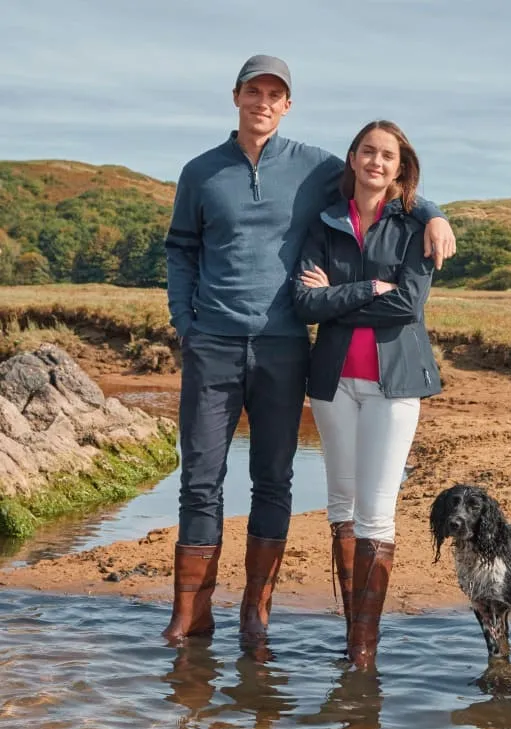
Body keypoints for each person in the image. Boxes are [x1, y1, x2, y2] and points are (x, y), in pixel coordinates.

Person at [163, 56, 455, 645]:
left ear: (288, 104)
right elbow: (180, 249)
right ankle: (190, 614)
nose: (263, 102)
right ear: (237, 97)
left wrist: (434, 213)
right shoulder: (199, 171)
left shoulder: (314, 166)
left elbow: (381, 180)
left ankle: (255, 612)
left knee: (273, 479)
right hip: (213, 344)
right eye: (254, 91)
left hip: (284, 346)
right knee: (199, 479)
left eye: (275, 94)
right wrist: (185, 324)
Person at [291, 120, 443, 669]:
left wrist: (335, 296)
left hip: (394, 383)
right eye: (368, 152)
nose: (376, 162)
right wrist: (362, 291)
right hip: (331, 384)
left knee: (377, 516)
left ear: (400, 167)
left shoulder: (416, 226)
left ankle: (363, 652)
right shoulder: (325, 221)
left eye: (388, 156)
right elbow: (304, 305)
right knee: (342, 510)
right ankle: (350, 634)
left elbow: (407, 305)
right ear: (352, 158)